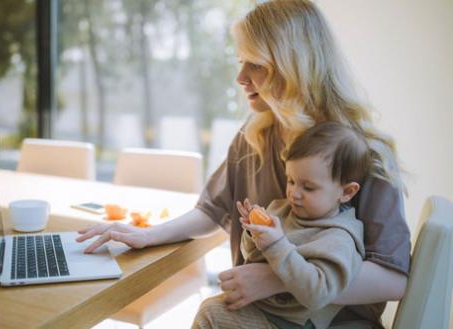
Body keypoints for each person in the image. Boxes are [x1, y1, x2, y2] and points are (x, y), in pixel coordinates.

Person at [77, 0, 411, 328]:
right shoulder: (254, 137)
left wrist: (277, 277)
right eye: (240, 61)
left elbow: (393, 279)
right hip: (261, 314)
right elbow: (212, 211)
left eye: (255, 64)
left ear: (294, 66)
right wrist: (149, 235)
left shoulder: (367, 154)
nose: (240, 77)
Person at [202, 122, 370, 329]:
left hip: (290, 323)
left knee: (210, 314)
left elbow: (318, 294)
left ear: (346, 192)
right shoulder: (282, 210)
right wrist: (254, 234)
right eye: (291, 181)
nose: (294, 193)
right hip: (261, 308)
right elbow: (253, 257)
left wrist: (276, 244)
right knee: (213, 306)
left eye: (308, 187)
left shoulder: (339, 238)